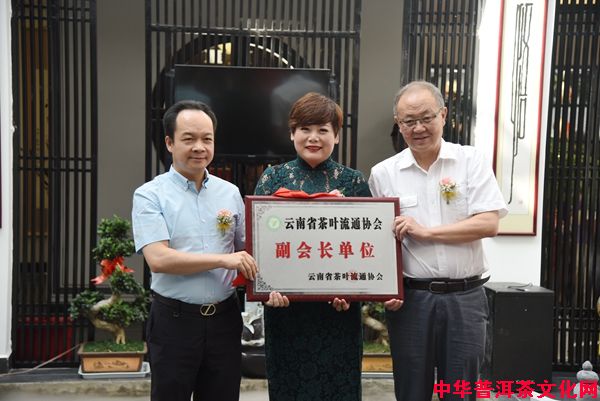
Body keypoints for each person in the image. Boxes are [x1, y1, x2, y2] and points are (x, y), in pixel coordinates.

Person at [368, 81, 508, 401]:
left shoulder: (470, 161)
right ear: (398, 123)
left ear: (443, 115)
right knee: (411, 390)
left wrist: (427, 233)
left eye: (426, 118)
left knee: (460, 391)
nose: (418, 128)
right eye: (409, 121)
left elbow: (489, 223)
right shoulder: (383, 174)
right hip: (411, 301)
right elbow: (377, 241)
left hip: (466, 298)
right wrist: (385, 287)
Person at [131, 100, 258, 401]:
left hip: (224, 319)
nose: (199, 147)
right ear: (169, 142)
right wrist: (223, 260)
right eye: (189, 139)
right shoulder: (150, 195)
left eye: (207, 139)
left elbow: (248, 252)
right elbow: (158, 259)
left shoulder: (229, 193)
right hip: (173, 322)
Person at [254, 92, 372, 401]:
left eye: (323, 129)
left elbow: (367, 249)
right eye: (305, 129)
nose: (313, 137)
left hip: (338, 313)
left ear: (336, 135)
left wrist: (352, 291)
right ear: (292, 133)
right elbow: (260, 246)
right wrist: (266, 289)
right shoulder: (272, 179)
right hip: (286, 313)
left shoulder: (353, 182)